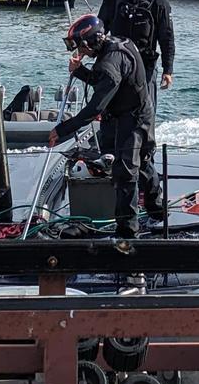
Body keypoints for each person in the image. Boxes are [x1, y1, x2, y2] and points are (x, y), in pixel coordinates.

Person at [48, 14, 165, 239]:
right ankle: (157, 211)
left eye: (81, 47)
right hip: (134, 110)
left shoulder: (110, 62)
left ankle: (127, 230)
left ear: (93, 41)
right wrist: (80, 71)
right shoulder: (115, 47)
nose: (79, 52)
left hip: (135, 117)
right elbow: (106, 83)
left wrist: (62, 130)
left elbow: (95, 108)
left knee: (127, 171)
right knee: (143, 162)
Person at [97, 0, 175, 122]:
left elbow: (166, 38)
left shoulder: (159, 3)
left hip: (145, 65)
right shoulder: (112, 1)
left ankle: (146, 140)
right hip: (116, 64)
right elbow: (99, 33)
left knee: (145, 109)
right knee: (110, 109)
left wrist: (168, 70)